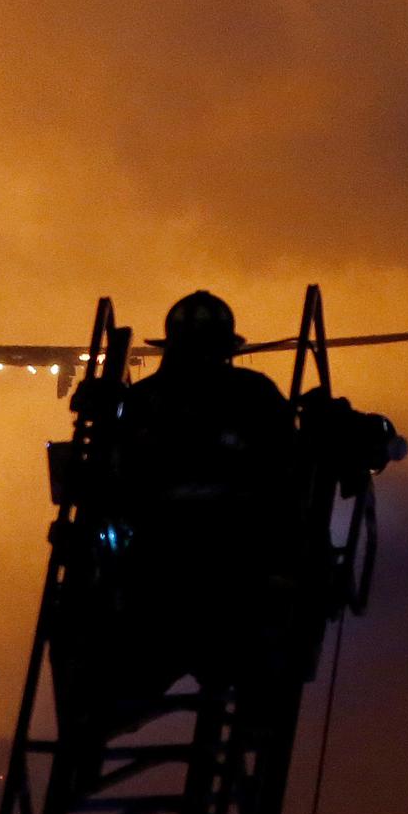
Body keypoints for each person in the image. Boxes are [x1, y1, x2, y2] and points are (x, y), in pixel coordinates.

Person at [108, 290, 300, 684]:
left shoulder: (140, 401)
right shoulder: (255, 393)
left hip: (158, 569)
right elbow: (287, 469)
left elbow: (117, 480)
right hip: (232, 567)